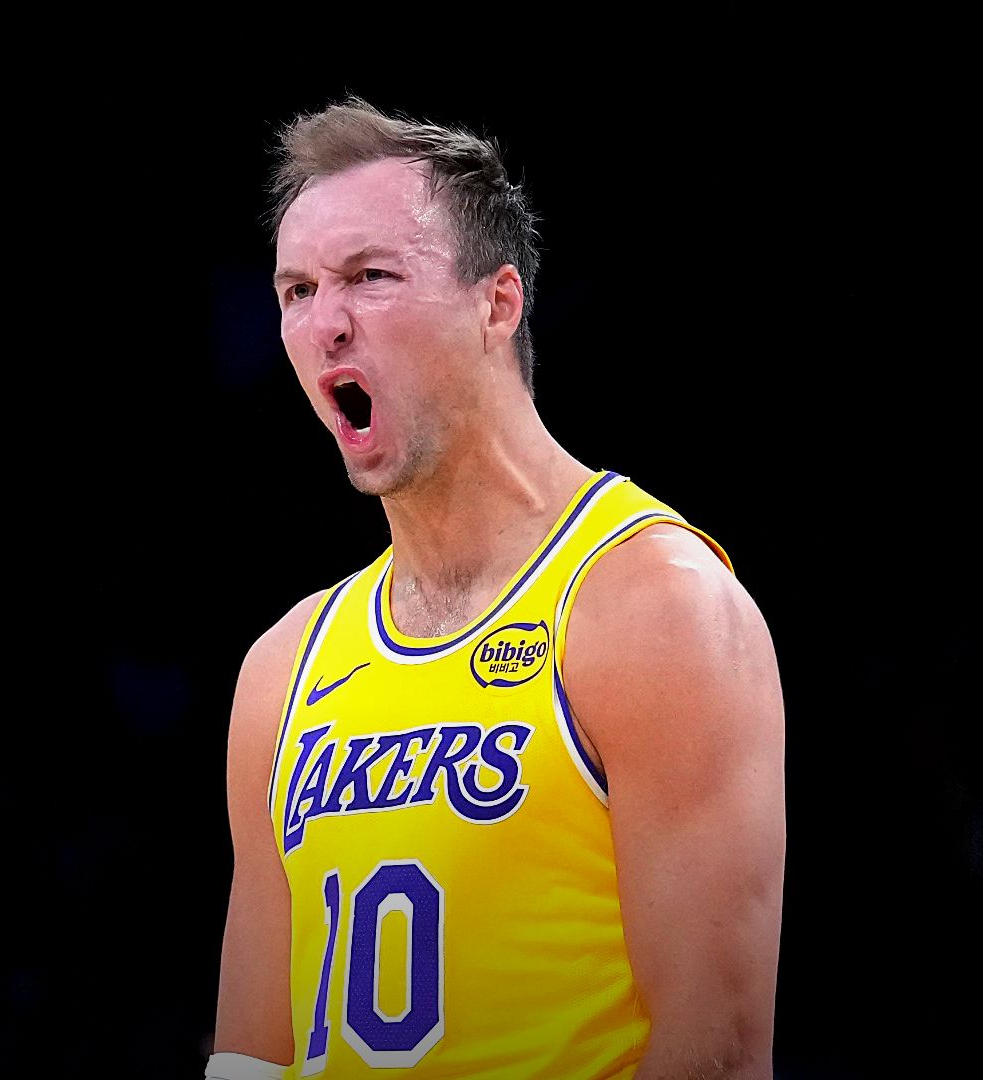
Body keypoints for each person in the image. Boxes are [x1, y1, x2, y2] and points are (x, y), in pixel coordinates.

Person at [209, 95, 786, 1080]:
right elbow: (250, 1059)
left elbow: (716, 1055)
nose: (326, 323)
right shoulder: (283, 668)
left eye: (370, 277)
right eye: (297, 290)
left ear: (499, 304)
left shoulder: (653, 604)